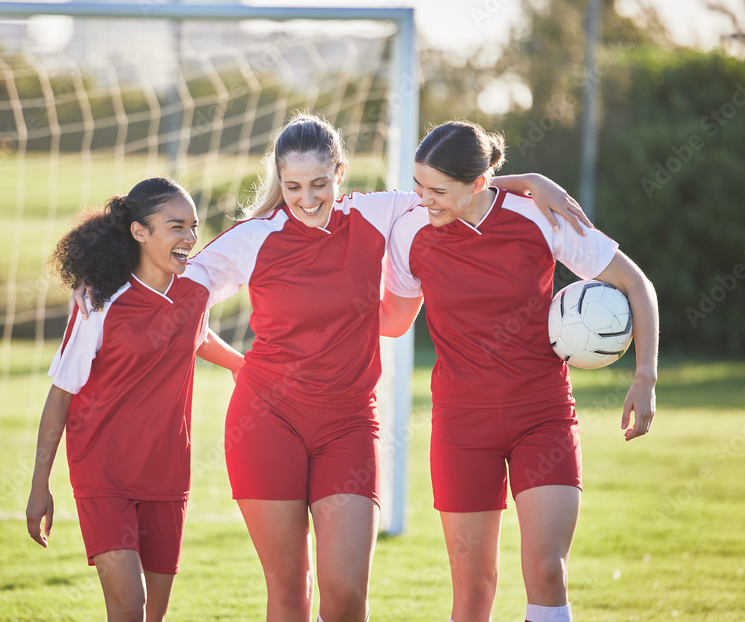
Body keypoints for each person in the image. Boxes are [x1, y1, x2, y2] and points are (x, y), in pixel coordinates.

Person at [74, 113, 588, 622]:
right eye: (293, 185)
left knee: (344, 596)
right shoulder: (252, 237)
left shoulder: (378, 213)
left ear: (340, 173)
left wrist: (529, 181)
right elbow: (172, 287)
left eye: (320, 183)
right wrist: (101, 281)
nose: (307, 197)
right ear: (279, 181)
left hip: (348, 424)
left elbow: (453, 189)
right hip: (266, 422)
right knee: (291, 596)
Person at [380, 120, 659, 622]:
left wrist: (646, 377)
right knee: (472, 586)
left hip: (542, 416)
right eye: (418, 185)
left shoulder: (540, 215)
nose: (424, 199)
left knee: (548, 570)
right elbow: (395, 321)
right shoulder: (409, 229)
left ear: (479, 184)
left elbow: (637, 285)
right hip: (461, 425)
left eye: (438, 190)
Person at [26, 177, 244, 622]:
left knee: (154, 616)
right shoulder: (99, 304)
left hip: (167, 472)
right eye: (176, 227)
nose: (189, 238)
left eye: (194, 227)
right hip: (103, 472)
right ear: (140, 232)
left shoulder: (196, 289)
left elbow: (194, 333)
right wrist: (39, 485)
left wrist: (243, 366)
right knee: (129, 606)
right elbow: (60, 395)